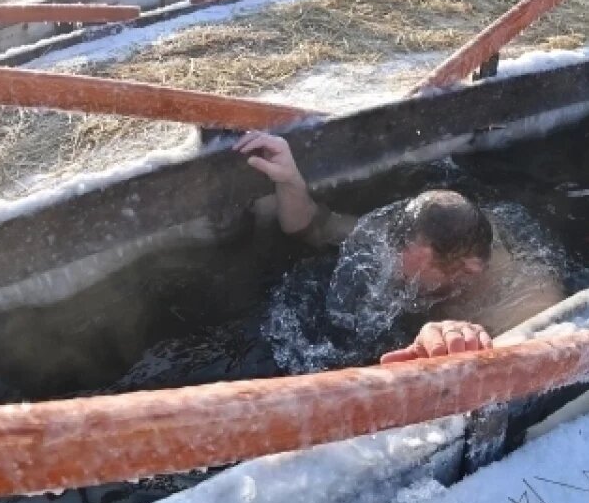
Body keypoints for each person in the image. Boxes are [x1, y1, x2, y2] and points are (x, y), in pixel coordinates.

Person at [235, 132, 565, 364]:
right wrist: (289, 178)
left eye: (416, 276)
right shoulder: (404, 241)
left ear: (469, 269)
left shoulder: (524, 301)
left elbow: (540, 370)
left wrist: (459, 340)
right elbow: (313, 226)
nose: (397, 279)